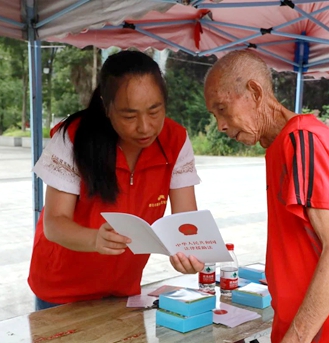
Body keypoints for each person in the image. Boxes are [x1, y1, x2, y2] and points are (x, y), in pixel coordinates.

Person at [204, 50, 329, 343]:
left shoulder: (301, 140)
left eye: (223, 109)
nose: (220, 125)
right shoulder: (281, 145)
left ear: (255, 93)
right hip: (307, 324)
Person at [28, 50, 204, 310]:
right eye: (129, 116)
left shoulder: (175, 140)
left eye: (155, 111)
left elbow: (186, 223)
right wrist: (93, 240)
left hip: (123, 289)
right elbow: (54, 223)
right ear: (106, 107)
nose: (145, 127)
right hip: (61, 291)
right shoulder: (73, 138)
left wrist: (190, 253)